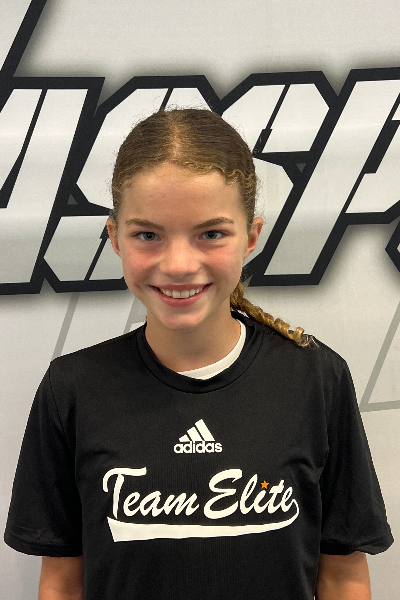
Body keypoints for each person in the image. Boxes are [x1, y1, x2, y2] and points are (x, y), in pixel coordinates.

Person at [4, 108, 393, 600]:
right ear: (115, 238)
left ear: (251, 237)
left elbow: (342, 574)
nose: (179, 265)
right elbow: (62, 582)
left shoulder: (315, 378)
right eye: (148, 235)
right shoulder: (72, 388)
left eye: (211, 234)